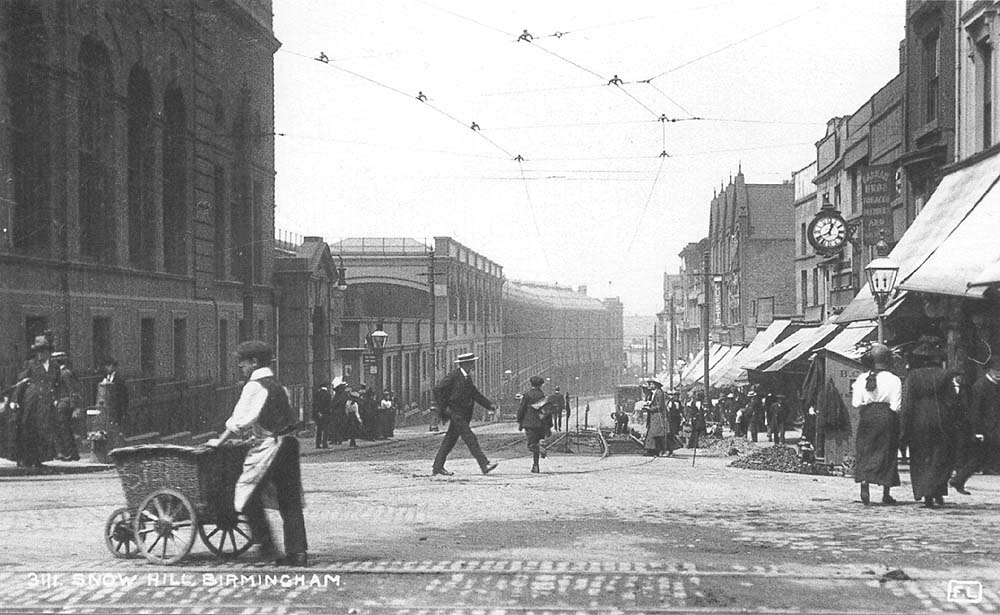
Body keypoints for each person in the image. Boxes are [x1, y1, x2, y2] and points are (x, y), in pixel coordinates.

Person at [207, 340, 307, 566]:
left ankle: (267, 546)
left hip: (272, 447)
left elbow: (240, 420)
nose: (240, 367)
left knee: (247, 494)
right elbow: (277, 417)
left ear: (253, 362)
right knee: (289, 501)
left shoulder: (254, 386)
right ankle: (297, 553)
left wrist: (219, 441)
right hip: (290, 444)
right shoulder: (278, 385)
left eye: (242, 362)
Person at [899, 339, 956, 508]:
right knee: (940, 456)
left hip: (918, 420)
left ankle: (926, 492)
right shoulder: (945, 375)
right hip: (941, 419)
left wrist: (904, 428)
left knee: (920, 457)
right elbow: (952, 401)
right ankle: (938, 491)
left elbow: (907, 404)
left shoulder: (913, 377)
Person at [431, 352, 499, 476]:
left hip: (463, 414)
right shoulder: (454, 376)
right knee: (470, 438)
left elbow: (475, 394)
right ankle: (484, 464)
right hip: (456, 414)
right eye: (472, 362)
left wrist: (489, 405)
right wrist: (444, 407)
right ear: (466, 364)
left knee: (449, 441)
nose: (474, 364)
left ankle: (437, 467)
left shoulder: (467, 377)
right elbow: (437, 389)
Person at [851, 343, 902, 506]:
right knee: (887, 451)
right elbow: (896, 406)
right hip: (887, 417)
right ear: (888, 361)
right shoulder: (894, 380)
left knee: (865, 450)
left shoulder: (861, 378)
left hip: (867, 416)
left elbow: (856, 403)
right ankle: (886, 492)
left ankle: (864, 482)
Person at [950, 356, 1000, 495]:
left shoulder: (996, 385)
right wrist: (978, 431)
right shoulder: (980, 386)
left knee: (980, 458)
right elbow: (975, 411)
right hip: (986, 429)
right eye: (996, 371)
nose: (999, 374)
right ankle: (958, 479)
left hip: (995, 428)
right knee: (978, 458)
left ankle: (958, 480)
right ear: (989, 370)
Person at [10, 335, 60, 468]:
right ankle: (26, 459)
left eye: (43, 351)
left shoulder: (55, 366)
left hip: (46, 402)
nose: (40, 354)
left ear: (48, 352)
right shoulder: (31, 364)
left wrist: (56, 399)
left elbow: (57, 385)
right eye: (38, 351)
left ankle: (38, 459)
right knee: (29, 430)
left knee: (43, 431)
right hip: (31, 402)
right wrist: (15, 399)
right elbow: (20, 382)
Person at [517, 376, 551, 473]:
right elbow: (547, 411)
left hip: (530, 423)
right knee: (537, 442)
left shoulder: (527, 395)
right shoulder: (543, 396)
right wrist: (548, 426)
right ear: (541, 385)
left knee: (531, 444)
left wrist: (520, 421)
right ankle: (535, 465)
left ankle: (538, 451)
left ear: (531, 384)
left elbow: (522, 409)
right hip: (541, 423)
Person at [51, 351, 81, 461]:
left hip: (65, 404)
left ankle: (70, 453)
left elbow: (72, 391)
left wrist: (74, 407)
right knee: (62, 428)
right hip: (60, 404)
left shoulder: (65, 373)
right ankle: (67, 452)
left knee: (65, 429)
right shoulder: (59, 373)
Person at [643, 379, 675, 457]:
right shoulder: (655, 393)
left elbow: (660, 406)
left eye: (651, 384)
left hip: (658, 416)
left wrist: (649, 409)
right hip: (655, 416)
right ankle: (653, 450)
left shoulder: (659, 393)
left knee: (659, 434)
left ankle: (661, 450)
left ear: (656, 385)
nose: (650, 386)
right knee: (654, 434)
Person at [101, 357, 129, 431]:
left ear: (113, 367)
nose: (106, 368)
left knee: (117, 428)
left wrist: (124, 410)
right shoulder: (106, 377)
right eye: (106, 366)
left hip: (117, 407)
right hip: (108, 407)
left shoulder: (119, 378)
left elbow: (123, 394)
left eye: (108, 366)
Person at [311, 383, 332, 449]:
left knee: (319, 429)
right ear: (326, 387)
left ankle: (317, 444)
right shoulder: (328, 394)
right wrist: (325, 412)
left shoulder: (316, 394)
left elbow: (314, 404)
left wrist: (318, 412)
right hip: (326, 414)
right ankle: (324, 444)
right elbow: (328, 405)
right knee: (326, 429)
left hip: (318, 414)